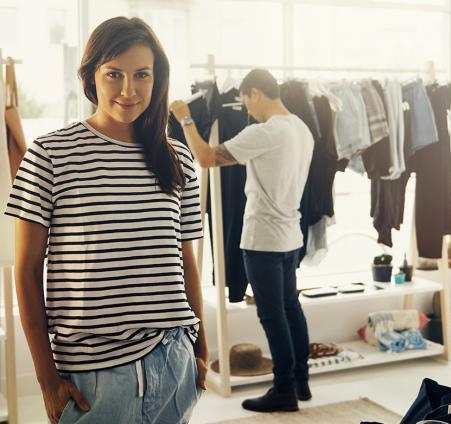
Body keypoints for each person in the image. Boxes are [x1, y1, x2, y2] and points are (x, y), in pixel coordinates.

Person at [4, 17, 206, 423]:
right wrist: (46, 379)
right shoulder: (50, 155)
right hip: (93, 375)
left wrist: (201, 351)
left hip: (174, 359)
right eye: (114, 74)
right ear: (91, 75)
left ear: (157, 79)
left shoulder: (178, 159)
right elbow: (26, 272)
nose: (129, 90)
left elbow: (186, 261)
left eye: (142, 75)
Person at [170, 68, 314, 413]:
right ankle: (300, 381)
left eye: (247, 101)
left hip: (263, 237)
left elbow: (205, 158)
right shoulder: (301, 129)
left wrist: (185, 118)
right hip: (290, 234)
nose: (247, 109)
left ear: (254, 93)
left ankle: (283, 390)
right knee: (290, 308)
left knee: (272, 314)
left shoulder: (265, 132)